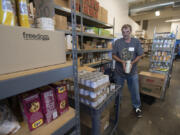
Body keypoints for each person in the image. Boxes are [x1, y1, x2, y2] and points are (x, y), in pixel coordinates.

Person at [112, 24, 143, 118]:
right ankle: (117, 104)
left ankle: (137, 107)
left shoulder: (136, 42)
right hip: (119, 72)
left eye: (127, 32)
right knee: (118, 90)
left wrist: (132, 63)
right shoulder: (117, 42)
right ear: (122, 32)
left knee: (135, 91)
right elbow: (113, 55)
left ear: (130, 32)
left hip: (132, 72)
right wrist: (122, 62)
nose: (125, 34)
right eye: (123, 32)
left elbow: (140, 55)